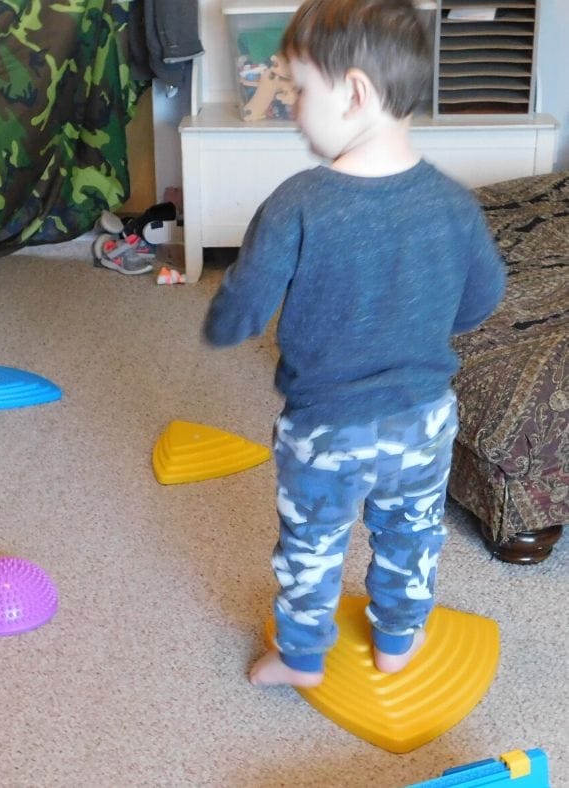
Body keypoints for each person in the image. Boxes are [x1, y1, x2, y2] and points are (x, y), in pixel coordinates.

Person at [202, 0, 506, 688]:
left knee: (311, 544)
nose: (292, 106)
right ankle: (398, 639)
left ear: (356, 91)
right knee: (412, 531)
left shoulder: (297, 201)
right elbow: (483, 298)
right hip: (424, 420)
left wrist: (220, 325)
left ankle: (302, 657)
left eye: (300, 89)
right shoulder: (456, 203)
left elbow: (245, 304)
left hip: (325, 428)